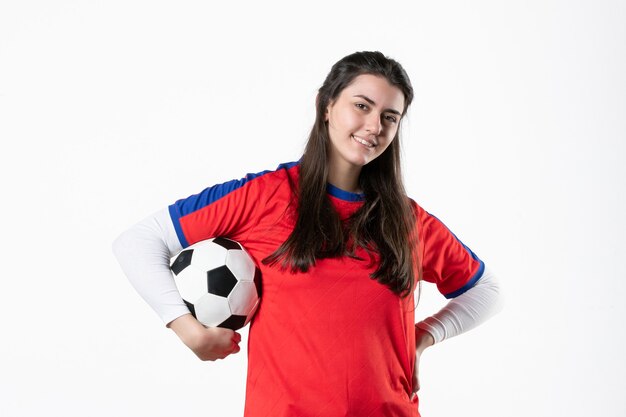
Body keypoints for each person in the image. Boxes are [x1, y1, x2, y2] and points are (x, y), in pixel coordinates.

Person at [113, 51, 504, 417]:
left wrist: (423, 337)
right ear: (326, 104)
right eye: (362, 106)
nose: (374, 126)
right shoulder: (266, 195)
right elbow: (139, 241)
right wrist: (188, 330)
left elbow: (486, 290)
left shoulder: (407, 220)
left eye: (390, 116)